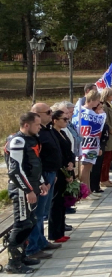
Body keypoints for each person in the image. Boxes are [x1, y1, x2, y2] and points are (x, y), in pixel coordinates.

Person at [4, 112, 44, 274]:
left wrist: (40, 183)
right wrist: (27, 190)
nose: (39, 127)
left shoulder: (30, 139)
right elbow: (15, 170)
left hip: (31, 185)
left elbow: (33, 164)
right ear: (26, 125)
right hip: (21, 189)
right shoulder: (18, 140)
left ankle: (22, 256)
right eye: (37, 125)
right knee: (22, 224)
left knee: (31, 221)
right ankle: (13, 263)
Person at [23, 103, 62, 261]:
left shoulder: (46, 130)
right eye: (48, 112)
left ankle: (41, 241)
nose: (51, 114)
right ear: (36, 114)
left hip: (51, 173)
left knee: (43, 212)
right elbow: (36, 160)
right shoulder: (33, 136)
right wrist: (43, 179)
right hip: (42, 176)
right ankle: (33, 247)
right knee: (38, 214)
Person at [47, 106, 75, 245]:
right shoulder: (53, 134)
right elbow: (58, 154)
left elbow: (69, 150)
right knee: (56, 202)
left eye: (67, 119)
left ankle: (61, 229)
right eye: (64, 119)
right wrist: (65, 167)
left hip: (67, 168)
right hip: (60, 171)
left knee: (63, 202)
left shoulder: (63, 132)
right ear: (55, 120)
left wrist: (72, 162)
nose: (66, 121)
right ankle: (55, 232)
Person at [75, 89, 106, 192]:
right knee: (84, 168)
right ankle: (84, 192)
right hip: (85, 145)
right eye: (98, 101)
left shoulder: (85, 111)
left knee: (88, 169)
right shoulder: (83, 111)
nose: (98, 103)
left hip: (92, 145)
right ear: (93, 99)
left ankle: (88, 191)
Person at [99, 86, 112, 188]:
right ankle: (103, 179)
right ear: (107, 96)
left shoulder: (110, 105)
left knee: (109, 157)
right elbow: (106, 123)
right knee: (106, 159)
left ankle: (107, 178)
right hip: (109, 136)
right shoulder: (104, 107)